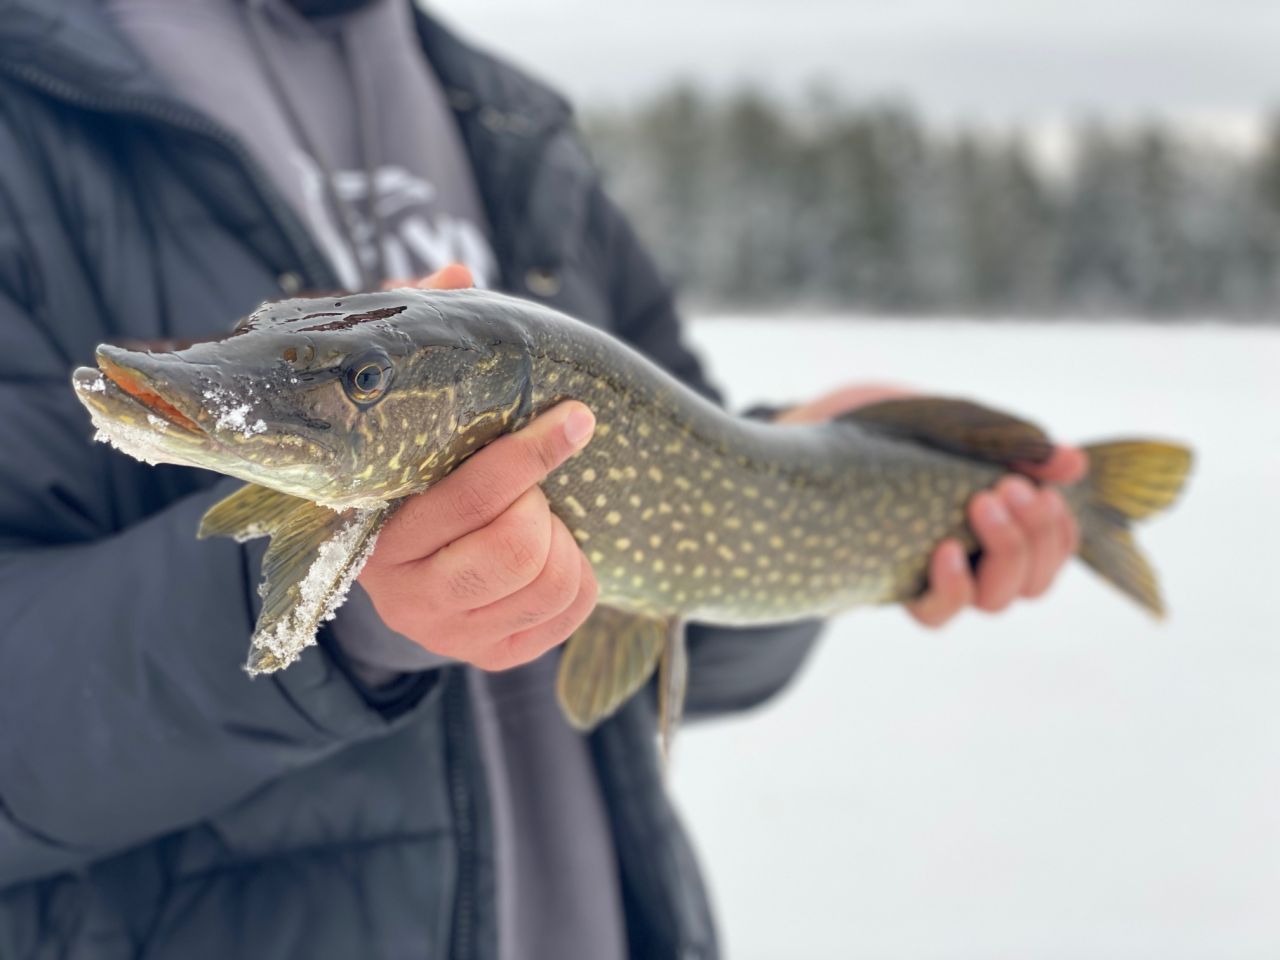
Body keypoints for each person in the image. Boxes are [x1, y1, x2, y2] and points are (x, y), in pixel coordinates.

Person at [0, 0, 1085, 957]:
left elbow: (671, 623)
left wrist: (830, 479)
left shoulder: (512, 122)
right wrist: (344, 615)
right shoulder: (28, 102)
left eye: (365, 380)